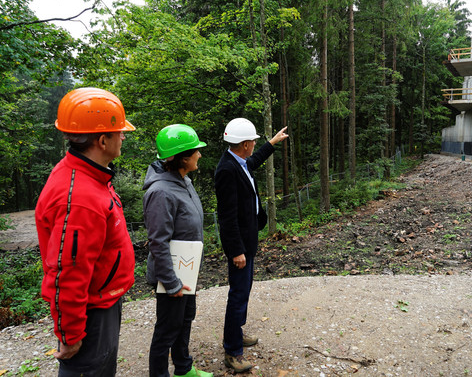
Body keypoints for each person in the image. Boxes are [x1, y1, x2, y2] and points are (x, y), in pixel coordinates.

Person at [35, 87, 136, 376]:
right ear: (102, 140)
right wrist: (70, 335)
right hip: (92, 312)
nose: (123, 137)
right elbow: (67, 272)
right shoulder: (81, 197)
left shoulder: (89, 176)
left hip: (102, 300)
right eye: (119, 132)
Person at [214, 118, 288, 373]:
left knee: (244, 290)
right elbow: (227, 216)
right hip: (240, 246)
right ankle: (232, 351)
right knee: (238, 295)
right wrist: (236, 251)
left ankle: (237, 332)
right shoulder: (226, 171)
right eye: (254, 141)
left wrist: (271, 143)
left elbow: (253, 162)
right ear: (244, 144)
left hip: (248, 241)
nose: (255, 144)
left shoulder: (239, 162)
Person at [143, 124, 213, 377]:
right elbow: (158, 242)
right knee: (167, 330)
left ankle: (184, 369)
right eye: (196, 151)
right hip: (172, 275)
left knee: (185, 321)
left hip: (187, 270)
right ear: (184, 157)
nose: (200, 155)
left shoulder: (184, 181)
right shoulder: (160, 192)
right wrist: (171, 282)